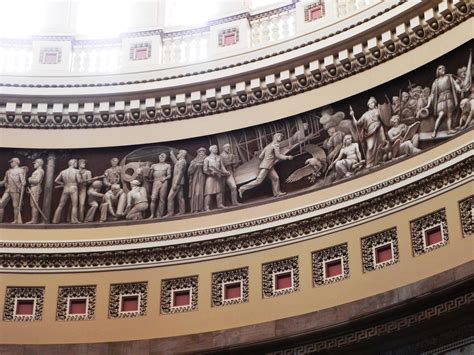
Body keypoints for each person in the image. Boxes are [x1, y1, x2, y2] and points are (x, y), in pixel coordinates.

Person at [238, 133, 293, 199]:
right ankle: (242, 188)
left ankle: (277, 193)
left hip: (269, 165)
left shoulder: (268, 146)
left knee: (275, 178)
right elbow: (278, 155)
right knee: (258, 181)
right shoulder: (276, 145)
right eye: (280, 137)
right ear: (275, 137)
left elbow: (260, 156)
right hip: (267, 166)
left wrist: (268, 158)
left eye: (281, 137)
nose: (281, 138)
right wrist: (287, 157)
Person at [424, 65, 462, 137]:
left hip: (449, 97)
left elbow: (455, 85)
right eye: (440, 69)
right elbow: (432, 94)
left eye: (443, 68)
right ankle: (434, 131)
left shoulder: (449, 77)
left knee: (449, 115)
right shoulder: (436, 82)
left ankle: (449, 129)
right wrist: (428, 105)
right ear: (438, 71)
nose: (443, 69)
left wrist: (459, 89)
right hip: (441, 99)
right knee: (440, 115)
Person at [350, 97, 387, 168]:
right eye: (369, 104)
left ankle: (380, 159)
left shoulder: (379, 110)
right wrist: (353, 116)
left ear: (374, 103)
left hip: (379, 128)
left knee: (382, 142)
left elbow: (385, 118)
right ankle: (369, 162)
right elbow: (357, 124)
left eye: (372, 103)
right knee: (370, 147)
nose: (370, 104)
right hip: (370, 131)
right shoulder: (365, 114)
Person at [52, 159, 82, 224]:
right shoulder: (77, 171)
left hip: (65, 188)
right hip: (73, 188)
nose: (76, 164)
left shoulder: (63, 171)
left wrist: (62, 184)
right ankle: (74, 220)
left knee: (60, 205)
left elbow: (56, 180)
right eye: (76, 163)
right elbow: (79, 181)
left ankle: (55, 220)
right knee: (74, 205)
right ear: (74, 163)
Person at [0, 157, 26, 224]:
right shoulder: (8, 171)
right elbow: (4, 181)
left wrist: (23, 182)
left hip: (15, 190)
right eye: (10, 162)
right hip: (8, 190)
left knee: (15, 206)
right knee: (1, 204)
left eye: (12, 162)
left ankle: (16, 220)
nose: (10, 163)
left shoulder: (21, 170)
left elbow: (22, 181)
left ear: (16, 162)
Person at [203, 145, 229, 211]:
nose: (216, 149)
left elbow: (222, 167)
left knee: (219, 191)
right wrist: (211, 173)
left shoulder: (219, 157)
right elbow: (205, 169)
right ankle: (206, 207)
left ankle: (220, 204)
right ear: (211, 150)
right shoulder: (207, 159)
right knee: (208, 192)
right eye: (214, 148)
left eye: (216, 148)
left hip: (218, 176)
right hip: (210, 177)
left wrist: (226, 172)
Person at [148, 153, 172, 218]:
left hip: (164, 182)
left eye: (163, 157)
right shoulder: (154, 165)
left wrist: (165, 178)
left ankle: (159, 214)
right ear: (158, 157)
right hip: (155, 182)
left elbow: (169, 175)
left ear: (165, 158)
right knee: (153, 198)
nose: (162, 157)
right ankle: (152, 214)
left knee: (162, 199)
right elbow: (149, 176)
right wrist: (150, 170)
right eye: (160, 156)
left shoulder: (167, 165)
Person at [165, 150, 187, 217]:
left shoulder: (182, 162)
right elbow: (176, 163)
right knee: (180, 197)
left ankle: (170, 213)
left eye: (178, 153)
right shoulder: (181, 161)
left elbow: (180, 173)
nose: (177, 154)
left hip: (177, 182)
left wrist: (175, 183)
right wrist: (172, 154)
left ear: (182, 154)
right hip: (180, 182)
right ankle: (182, 212)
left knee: (170, 197)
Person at [188, 148, 206, 213]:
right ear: (198, 153)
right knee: (197, 193)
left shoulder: (206, 159)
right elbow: (189, 171)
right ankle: (195, 208)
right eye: (200, 152)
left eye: (203, 152)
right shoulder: (194, 161)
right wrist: (194, 166)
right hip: (196, 178)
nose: (202, 154)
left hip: (204, 177)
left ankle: (202, 208)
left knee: (204, 193)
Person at [26, 158, 44, 224]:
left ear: (39, 163)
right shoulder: (38, 170)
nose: (34, 164)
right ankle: (33, 220)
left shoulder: (39, 171)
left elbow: (37, 180)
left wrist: (29, 179)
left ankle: (34, 220)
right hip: (33, 187)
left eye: (35, 163)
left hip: (36, 188)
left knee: (34, 205)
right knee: (33, 204)